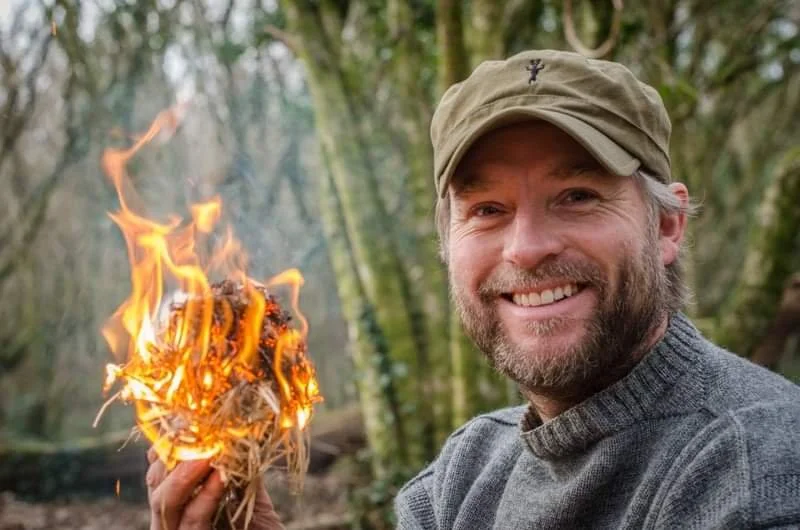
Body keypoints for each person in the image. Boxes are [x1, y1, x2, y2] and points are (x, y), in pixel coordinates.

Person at [146, 49, 800, 529]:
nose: (527, 247)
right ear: (448, 244)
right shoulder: (463, 478)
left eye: (576, 196)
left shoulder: (757, 464)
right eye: (486, 209)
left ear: (666, 225)